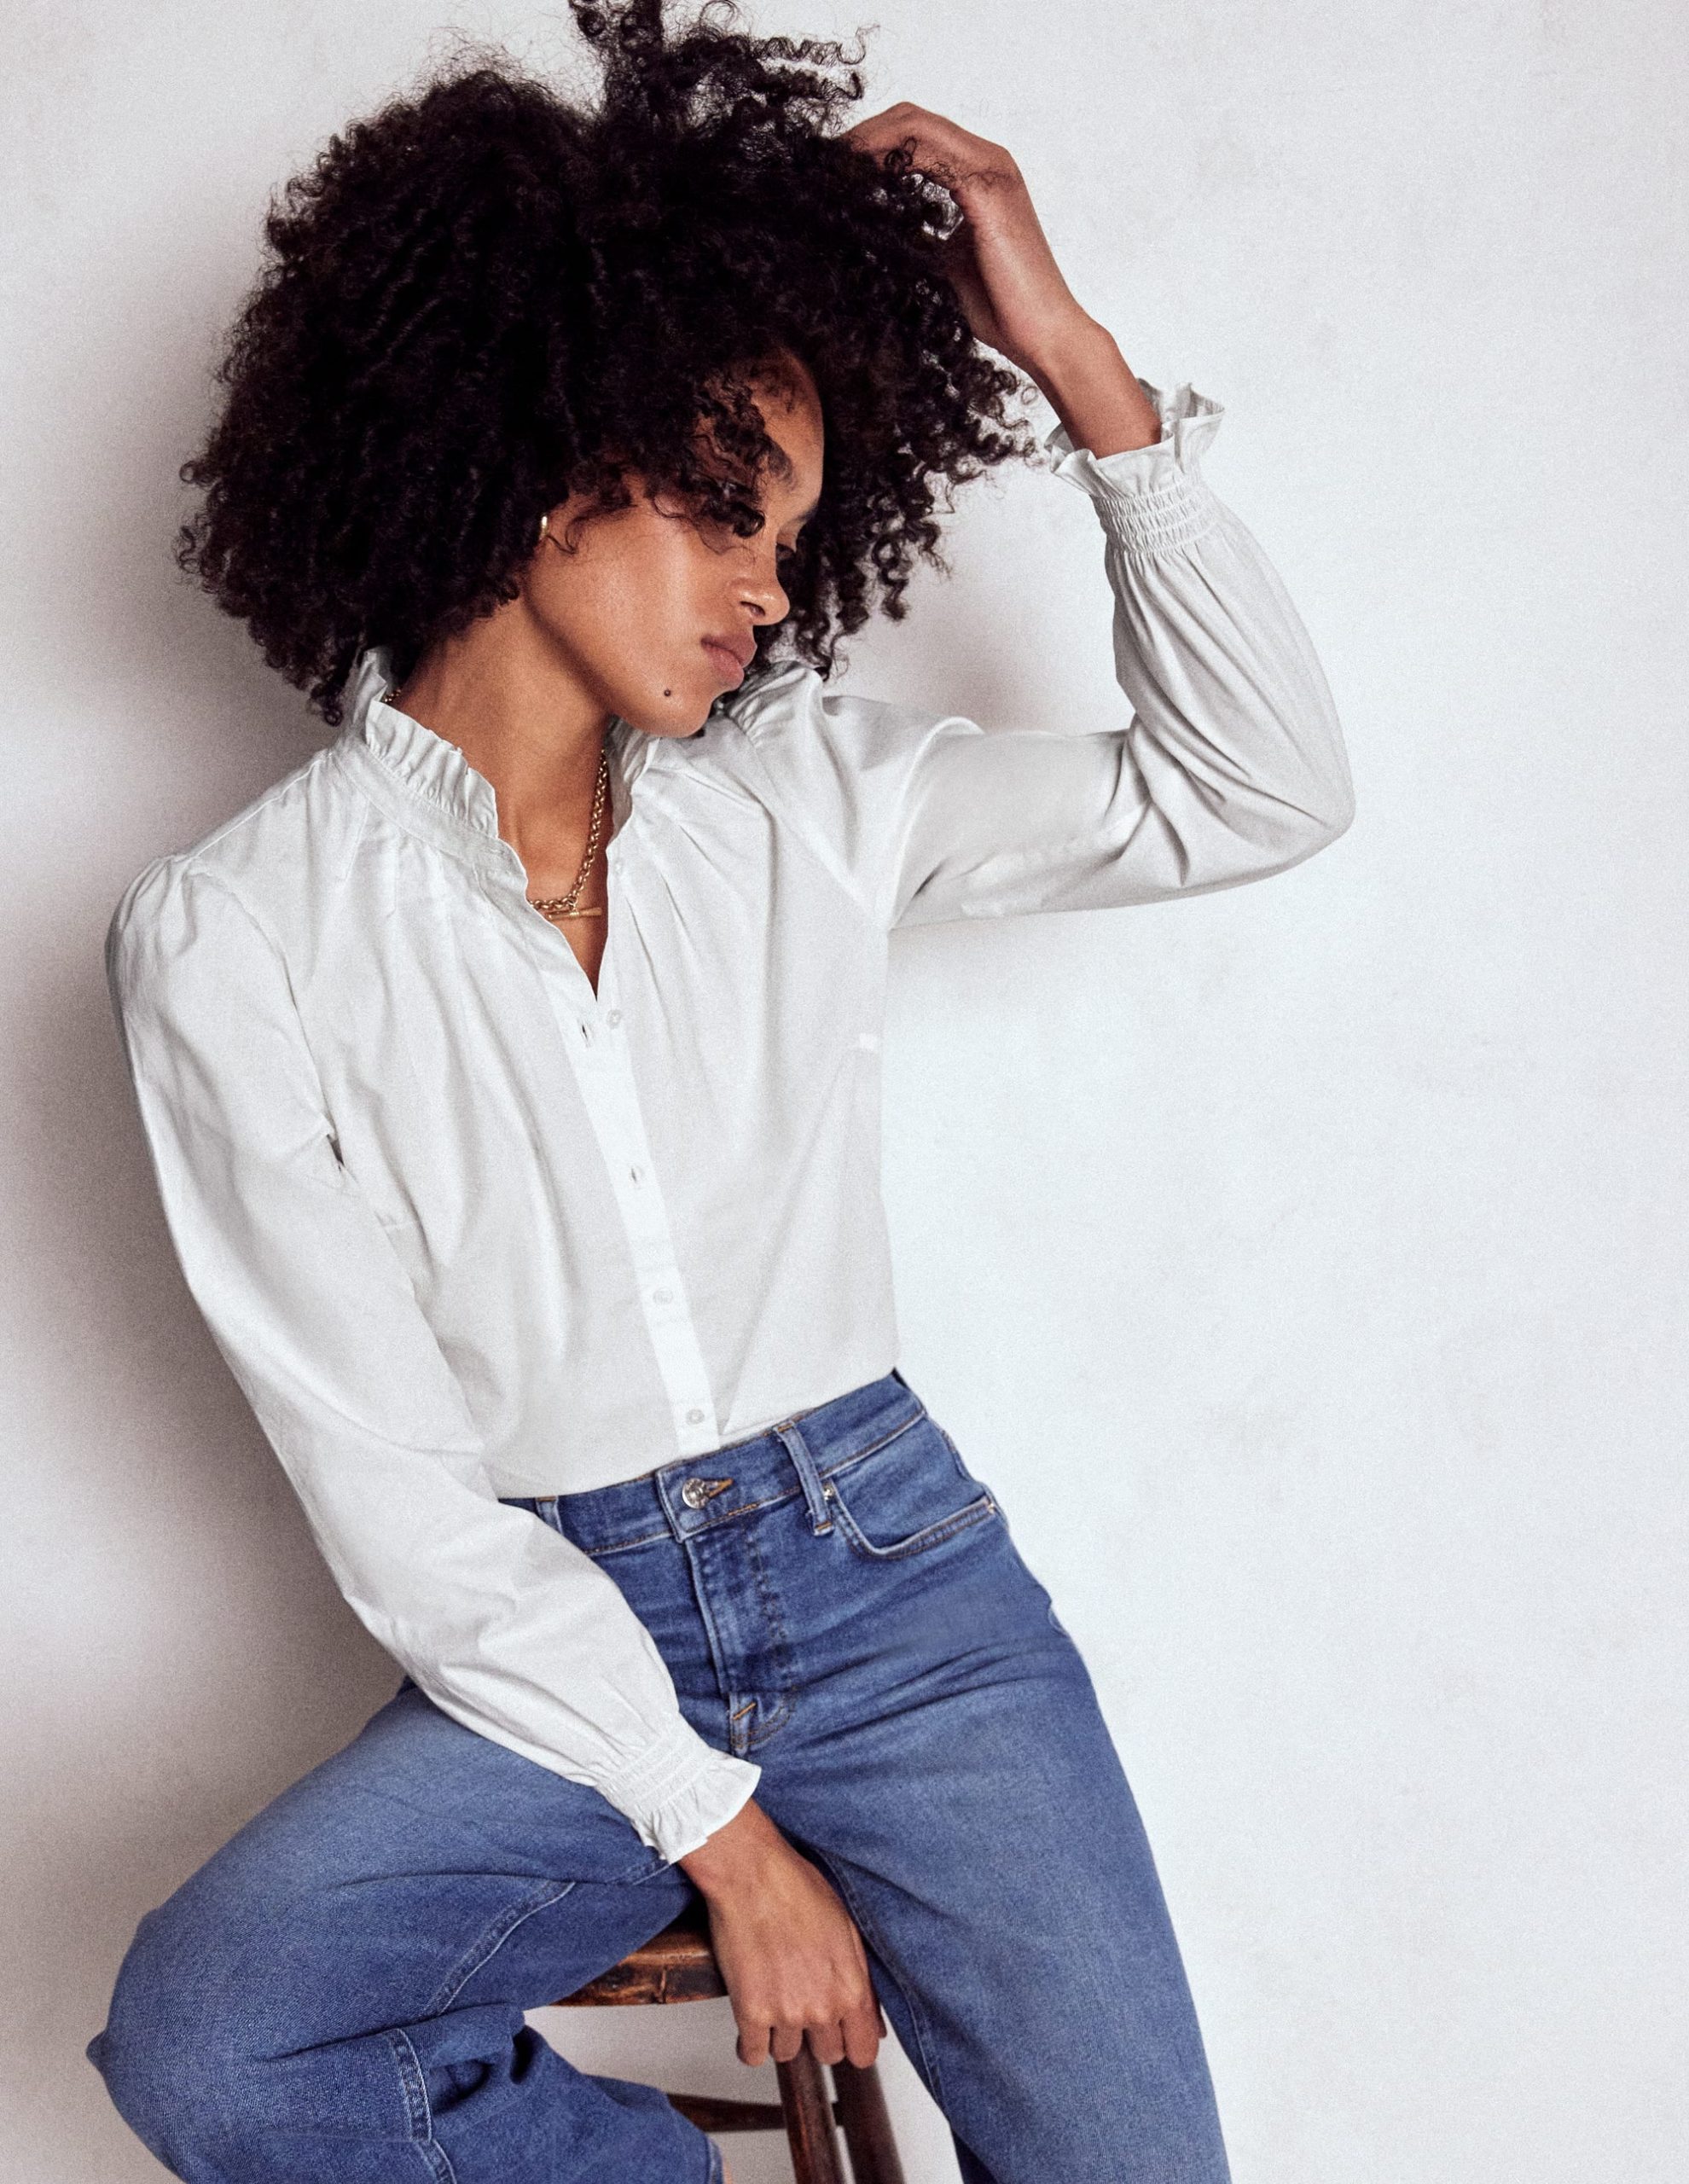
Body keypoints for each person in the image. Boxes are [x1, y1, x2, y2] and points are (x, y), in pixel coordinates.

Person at [84, 4, 1354, 2180]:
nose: (772, 593)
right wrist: (728, 1840)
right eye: (723, 516)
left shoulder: (809, 798)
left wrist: (1078, 366)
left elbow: (1260, 788)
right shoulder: (235, 934)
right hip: (562, 1641)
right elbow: (397, 1492)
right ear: (539, 463)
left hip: (904, 1593)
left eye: (795, 535)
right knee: (218, 2033)